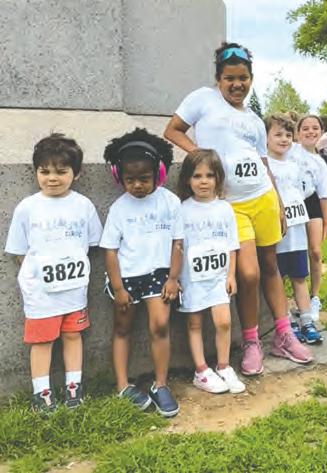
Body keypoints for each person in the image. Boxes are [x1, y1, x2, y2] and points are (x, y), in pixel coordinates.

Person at [163, 42, 312, 376]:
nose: (236, 84)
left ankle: (283, 336)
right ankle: (251, 341)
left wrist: (278, 203)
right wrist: (201, 157)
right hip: (232, 205)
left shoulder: (255, 120)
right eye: (229, 78)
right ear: (218, 78)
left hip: (263, 197)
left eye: (243, 78)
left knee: (271, 266)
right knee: (249, 273)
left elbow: (263, 162)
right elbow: (172, 130)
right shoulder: (203, 99)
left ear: (251, 79)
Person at [5, 134, 102, 413]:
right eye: (44, 171)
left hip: (74, 292)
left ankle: (74, 387)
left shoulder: (83, 205)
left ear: (77, 173)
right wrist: (36, 276)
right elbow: (19, 251)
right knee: (42, 340)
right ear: (35, 172)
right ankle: (42, 393)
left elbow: (92, 243)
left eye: (61, 171)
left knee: (73, 336)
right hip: (41, 295)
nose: (52, 178)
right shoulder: (27, 208)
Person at [100, 128, 182, 417]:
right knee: (122, 328)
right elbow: (110, 251)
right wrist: (118, 287)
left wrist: (173, 278)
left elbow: (177, 242)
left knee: (160, 325)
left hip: (159, 275)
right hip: (126, 279)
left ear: (159, 173)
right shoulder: (118, 209)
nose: (137, 185)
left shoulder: (170, 202)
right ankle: (122, 385)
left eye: (144, 178)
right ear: (118, 177)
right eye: (129, 179)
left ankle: (161, 384)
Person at [176, 149, 246, 395]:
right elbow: (177, 245)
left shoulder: (224, 209)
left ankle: (224, 366)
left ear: (218, 178)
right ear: (187, 179)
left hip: (219, 277)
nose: (203, 181)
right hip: (192, 278)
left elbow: (232, 244)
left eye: (209, 175)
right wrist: (175, 277)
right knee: (194, 323)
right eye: (197, 176)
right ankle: (201, 370)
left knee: (224, 321)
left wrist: (231, 275)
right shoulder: (181, 209)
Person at [266, 114, 322, 345]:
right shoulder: (265, 167)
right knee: (278, 278)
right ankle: (286, 320)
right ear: (266, 137)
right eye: (278, 134)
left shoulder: (295, 166)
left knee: (300, 276)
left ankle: (307, 320)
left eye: (288, 135)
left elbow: (306, 191)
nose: (284, 139)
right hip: (277, 234)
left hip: (297, 232)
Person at [291, 115, 327, 321]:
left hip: (311, 202)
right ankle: (294, 295)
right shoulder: (291, 150)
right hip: (290, 202)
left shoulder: (321, 163)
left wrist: (326, 220)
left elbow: (324, 195)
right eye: (305, 128)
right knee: (291, 251)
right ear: (298, 133)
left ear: (321, 132)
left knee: (315, 251)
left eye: (315, 128)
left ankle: (315, 296)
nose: (310, 132)